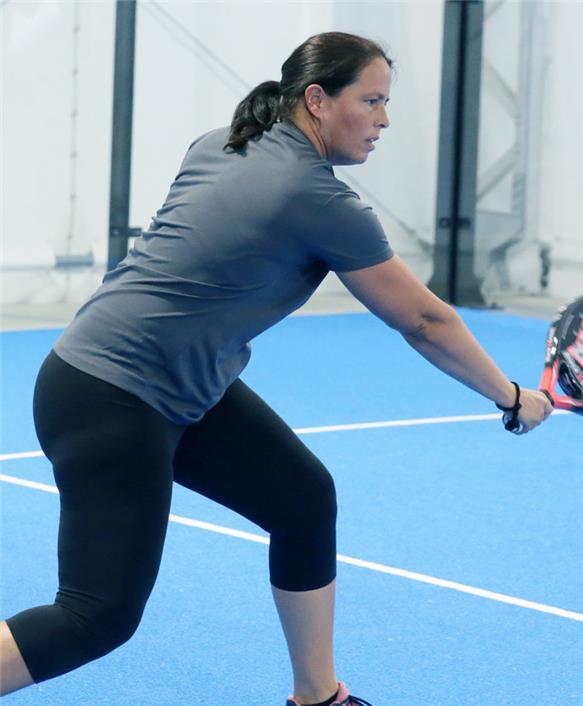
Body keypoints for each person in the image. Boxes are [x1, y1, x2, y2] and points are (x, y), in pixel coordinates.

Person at [0, 32, 551, 706]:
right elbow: (424, 321)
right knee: (96, 615)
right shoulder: (317, 199)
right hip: (113, 398)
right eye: (371, 101)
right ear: (317, 100)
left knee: (302, 502)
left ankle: (317, 696)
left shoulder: (219, 141)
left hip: (147, 382)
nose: (383, 120)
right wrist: (511, 396)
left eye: (386, 103)